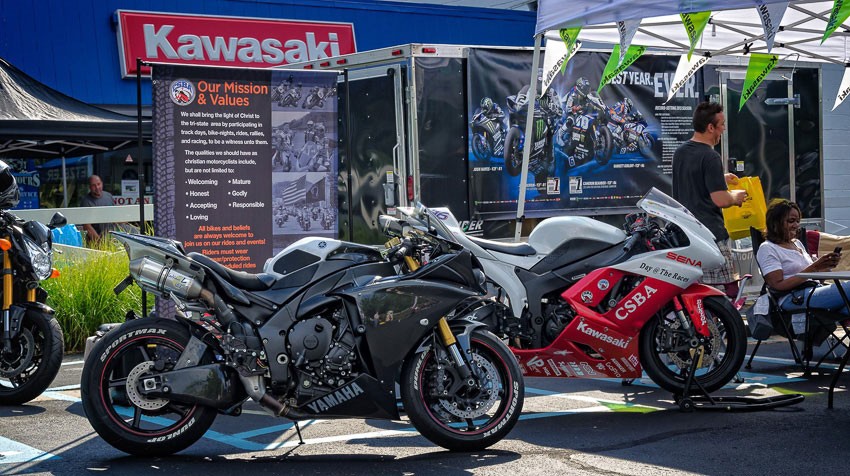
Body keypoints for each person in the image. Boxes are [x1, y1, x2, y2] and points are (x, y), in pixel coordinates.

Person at [672, 102, 747, 291]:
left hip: (685, 235)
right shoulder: (710, 156)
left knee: (692, 294)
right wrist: (736, 196)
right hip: (710, 236)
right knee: (719, 294)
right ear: (710, 127)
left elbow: (692, 180)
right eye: (722, 124)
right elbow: (720, 200)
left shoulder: (681, 152)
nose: (724, 128)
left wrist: (720, 179)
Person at [756, 199, 848, 312]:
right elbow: (777, 285)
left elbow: (813, 278)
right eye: (791, 221)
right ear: (775, 222)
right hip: (793, 298)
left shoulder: (797, 243)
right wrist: (814, 268)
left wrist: (824, 267)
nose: (796, 225)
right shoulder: (768, 248)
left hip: (813, 291)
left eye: (798, 221)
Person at [80, 174, 115, 244]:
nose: (97, 187)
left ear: (102, 183)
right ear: (90, 187)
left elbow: (114, 216)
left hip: (111, 240)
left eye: (98, 184)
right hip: (95, 243)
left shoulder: (109, 196)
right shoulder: (86, 202)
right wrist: (100, 243)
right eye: (93, 185)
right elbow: (87, 226)